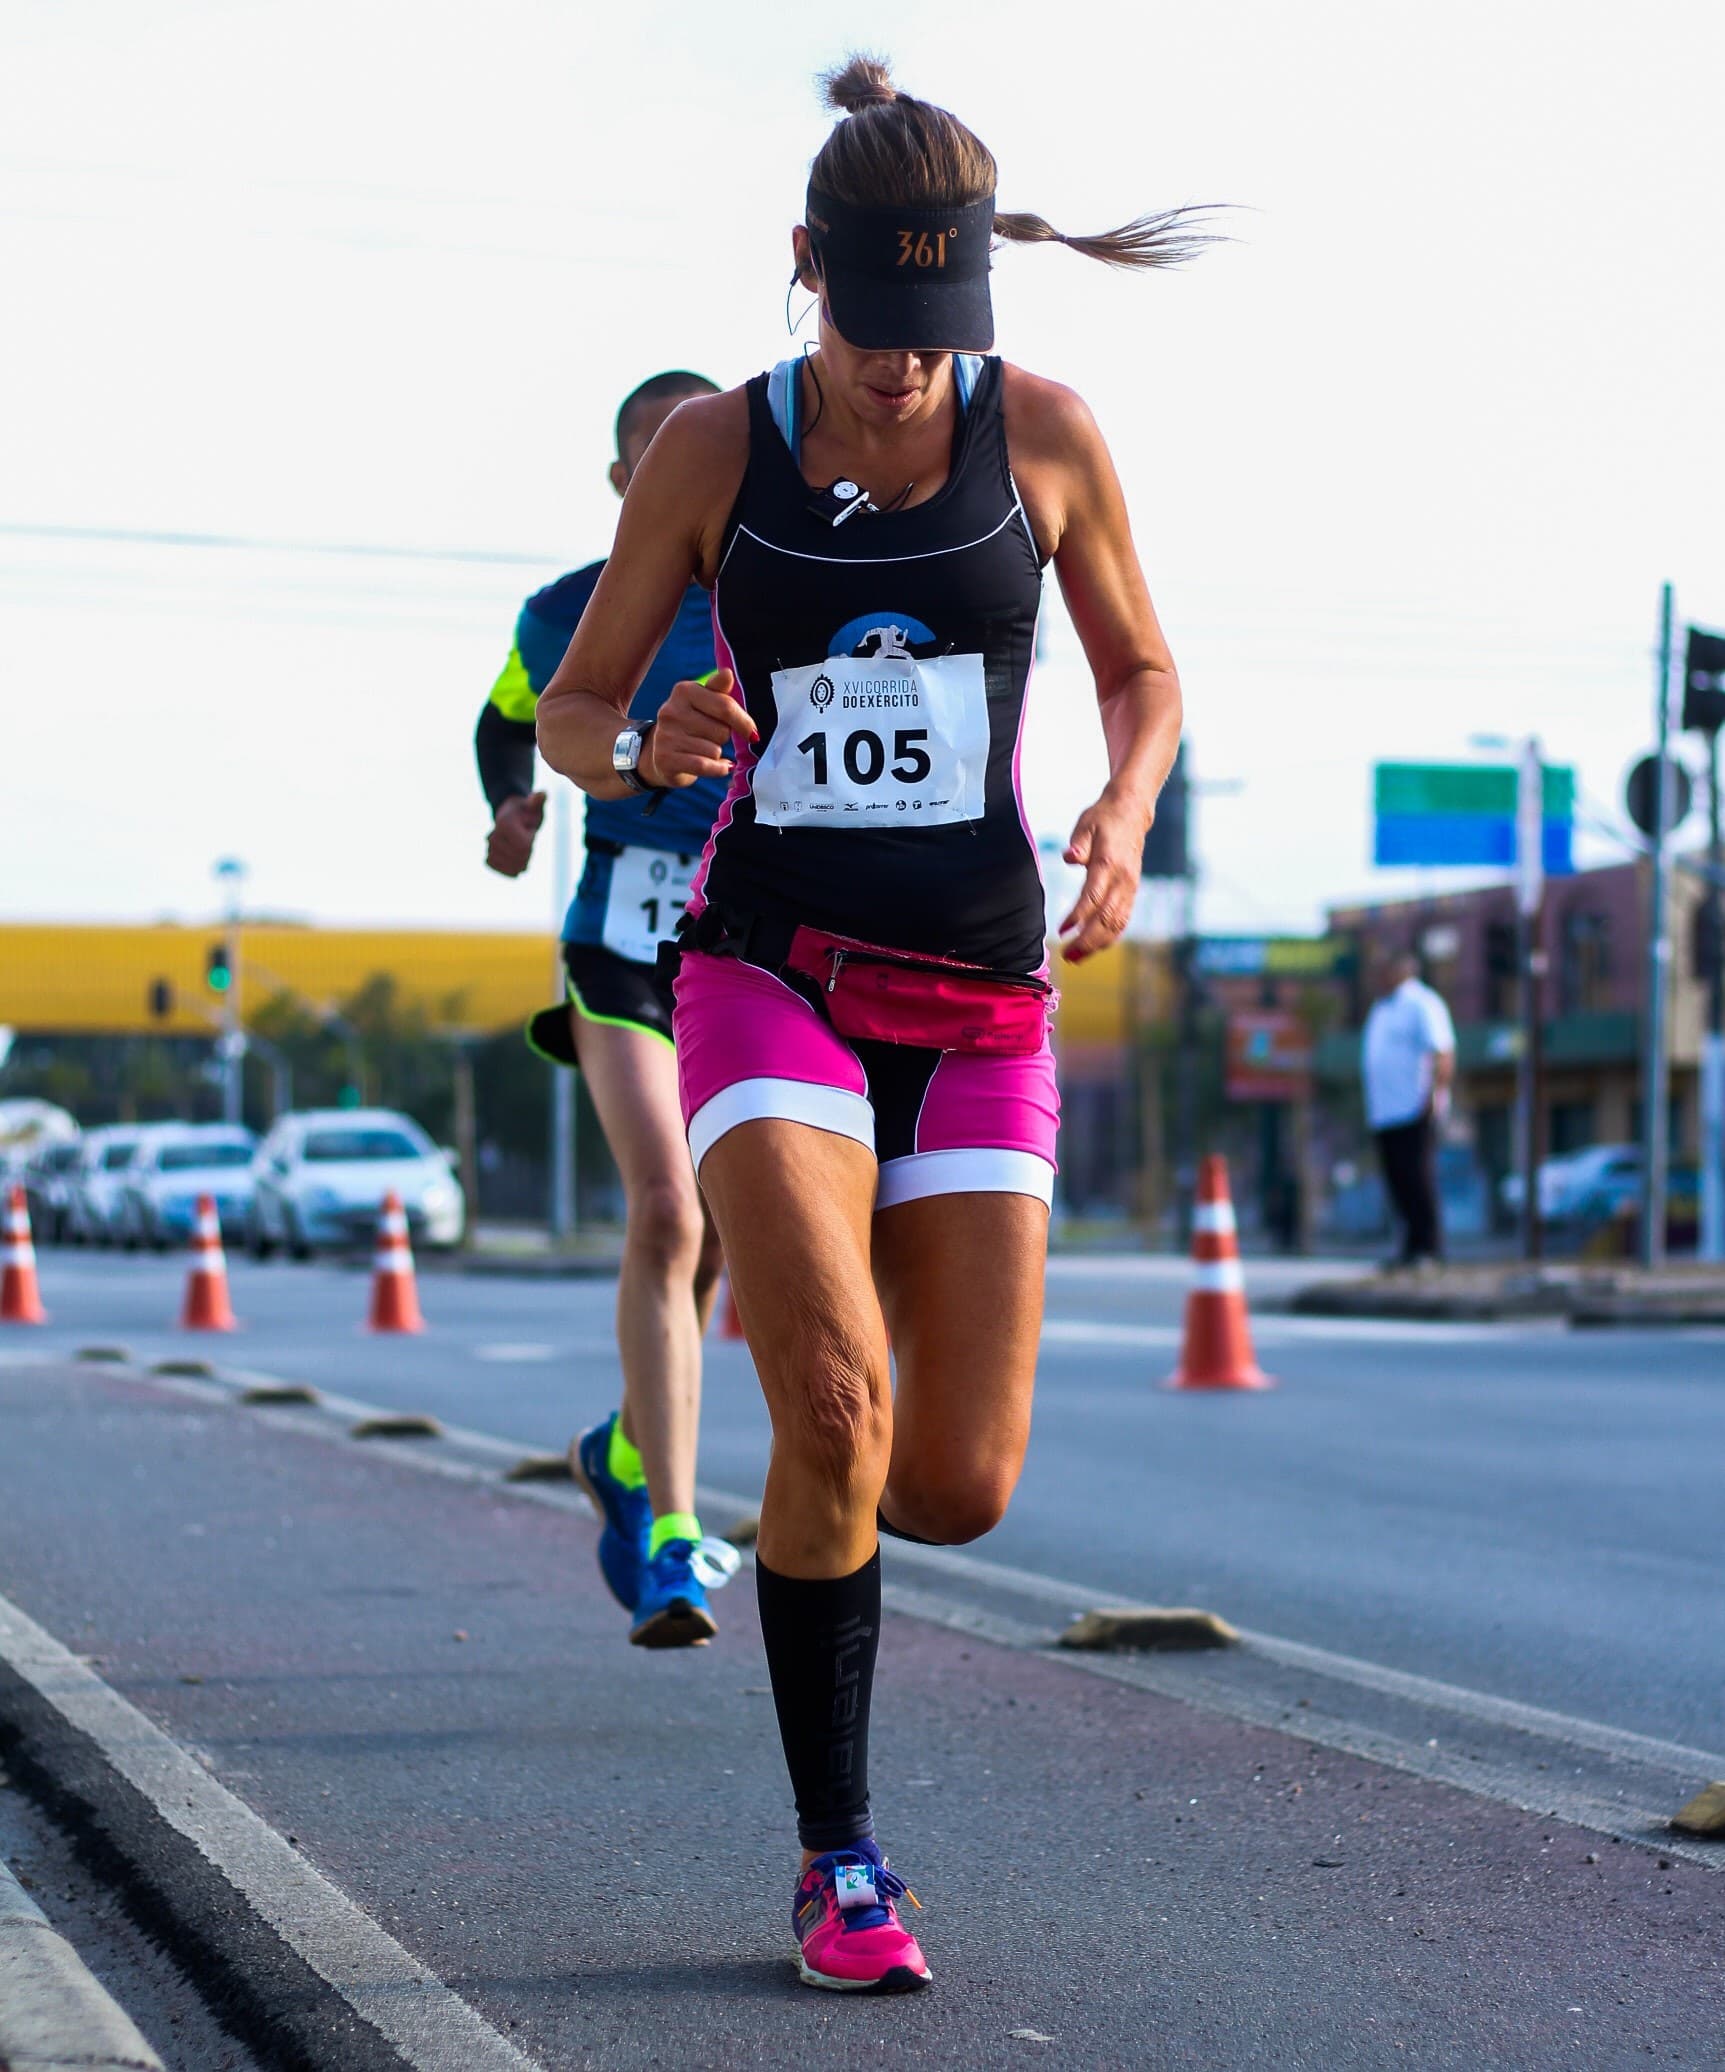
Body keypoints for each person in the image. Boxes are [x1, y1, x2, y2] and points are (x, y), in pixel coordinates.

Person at [536, 56, 1198, 1992]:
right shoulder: (712, 455)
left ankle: (817, 1405)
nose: (904, 368)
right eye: (871, 326)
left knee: (946, 1479)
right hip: (770, 970)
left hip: (986, 1001)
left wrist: (1120, 804)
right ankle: (840, 1862)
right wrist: (631, 737)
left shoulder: (1049, 435)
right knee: (828, 1406)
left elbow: (1144, 669)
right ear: (803, 272)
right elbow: (577, 708)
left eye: (939, 333)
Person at [476, 369, 732, 1648]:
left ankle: (624, 1444)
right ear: (627, 480)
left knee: (730, 1224)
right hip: (622, 944)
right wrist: (509, 805)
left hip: (745, 948)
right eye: (656, 454)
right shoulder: (566, 612)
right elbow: (503, 718)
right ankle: (676, 1539)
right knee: (669, 1206)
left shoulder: (776, 591)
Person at [1362, 949, 1456, 1269]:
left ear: (1402, 970)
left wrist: (1434, 1095)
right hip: (1384, 1111)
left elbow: (1442, 1051)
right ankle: (1409, 1247)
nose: (1377, 977)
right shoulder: (1381, 1008)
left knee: (1418, 1178)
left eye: (1383, 969)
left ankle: (1430, 1248)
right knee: (1397, 1180)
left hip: (1413, 1108)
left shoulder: (1421, 1003)